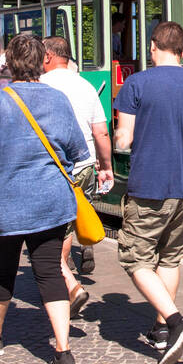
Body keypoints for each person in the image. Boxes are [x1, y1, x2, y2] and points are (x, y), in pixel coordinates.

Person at [0, 32, 88, 364]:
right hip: (52, 202)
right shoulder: (58, 98)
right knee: (49, 272)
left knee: (2, 271)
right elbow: (78, 152)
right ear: (40, 62)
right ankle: (64, 353)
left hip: (6, 204)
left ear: (8, 63)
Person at [112, 20, 183, 364]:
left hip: (149, 187)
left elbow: (123, 140)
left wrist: (123, 139)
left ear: (153, 47)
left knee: (135, 259)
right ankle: (161, 332)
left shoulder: (136, 83)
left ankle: (176, 322)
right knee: (170, 260)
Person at [39, 35, 113, 308]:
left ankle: (65, 286)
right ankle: (72, 269)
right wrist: (106, 166)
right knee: (75, 217)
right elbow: (101, 131)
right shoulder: (86, 86)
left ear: (47, 57)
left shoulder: (38, 85)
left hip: (54, 167)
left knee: (58, 230)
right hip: (85, 165)